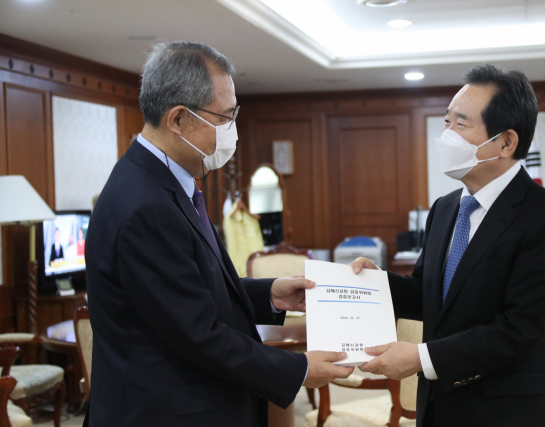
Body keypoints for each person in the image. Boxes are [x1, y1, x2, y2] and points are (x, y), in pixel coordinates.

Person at [85, 41, 353, 427]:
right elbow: (197, 335)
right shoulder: (147, 206)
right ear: (178, 119)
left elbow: (189, 292)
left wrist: (269, 294)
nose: (232, 131)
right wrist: (297, 368)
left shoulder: (162, 183)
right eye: (224, 118)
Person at [350, 64, 545, 427]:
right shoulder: (445, 208)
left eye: (460, 124)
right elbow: (430, 295)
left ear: (506, 142)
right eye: (446, 122)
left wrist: (422, 358)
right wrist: (376, 284)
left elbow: (519, 329)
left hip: (509, 410)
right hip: (439, 406)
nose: (446, 135)